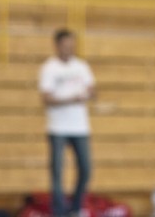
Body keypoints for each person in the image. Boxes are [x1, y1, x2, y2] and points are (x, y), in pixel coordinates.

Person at [39, 28, 96, 217]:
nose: (69, 49)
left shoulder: (81, 66)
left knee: (86, 169)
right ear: (57, 46)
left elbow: (93, 91)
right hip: (58, 128)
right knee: (57, 173)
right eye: (65, 45)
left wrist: (88, 94)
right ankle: (59, 212)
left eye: (71, 45)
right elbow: (47, 98)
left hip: (80, 127)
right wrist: (71, 99)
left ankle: (76, 208)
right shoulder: (49, 68)